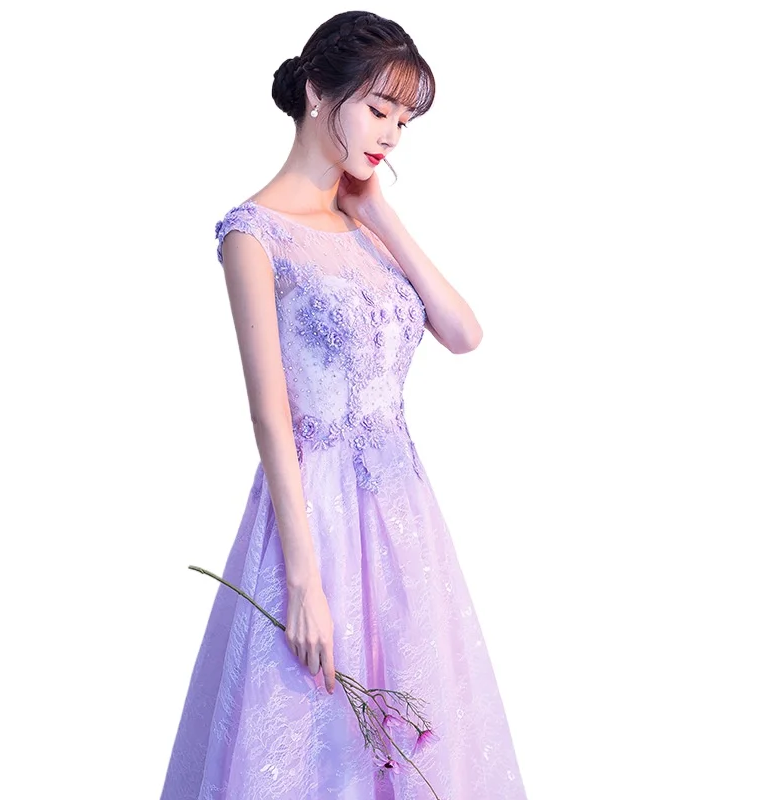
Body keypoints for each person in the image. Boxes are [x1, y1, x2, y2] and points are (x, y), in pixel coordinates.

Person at [160, 10, 528, 799]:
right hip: (314, 514)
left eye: (404, 120)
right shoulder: (254, 235)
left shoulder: (367, 226)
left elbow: (463, 333)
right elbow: (269, 416)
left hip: (404, 516)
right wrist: (302, 581)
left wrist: (379, 211)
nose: (391, 134)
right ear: (318, 92)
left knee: (415, 737)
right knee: (312, 734)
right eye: (379, 108)